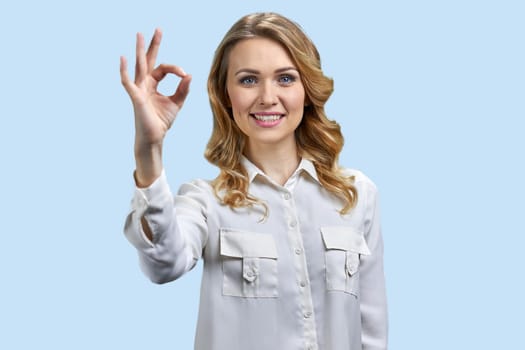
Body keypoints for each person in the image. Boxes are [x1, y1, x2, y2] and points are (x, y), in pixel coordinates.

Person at [121, 12, 388, 350]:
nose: (267, 97)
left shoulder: (357, 194)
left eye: (286, 79)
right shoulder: (206, 201)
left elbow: (372, 333)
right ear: (225, 94)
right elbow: (163, 263)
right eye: (248, 80)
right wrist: (149, 149)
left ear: (308, 90)